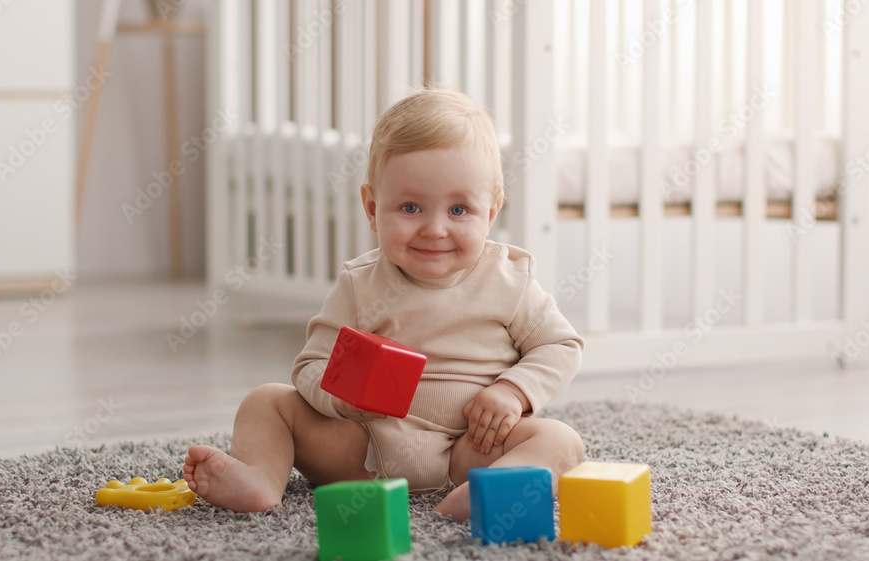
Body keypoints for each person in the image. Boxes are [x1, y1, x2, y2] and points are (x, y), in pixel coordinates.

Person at [183, 88, 584, 521]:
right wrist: (344, 400)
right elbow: (310, 366)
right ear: (373, 208)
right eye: (411, 207)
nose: (434, 229)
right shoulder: (360, 284)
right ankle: (261, 476)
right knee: (267, 401)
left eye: (459, 209)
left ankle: (486, 494)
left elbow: (560, 346)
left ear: (490, 214)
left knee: (562, 441)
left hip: (470, 448)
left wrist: (513, 391)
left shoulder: (510, 279)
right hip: (364, 448)